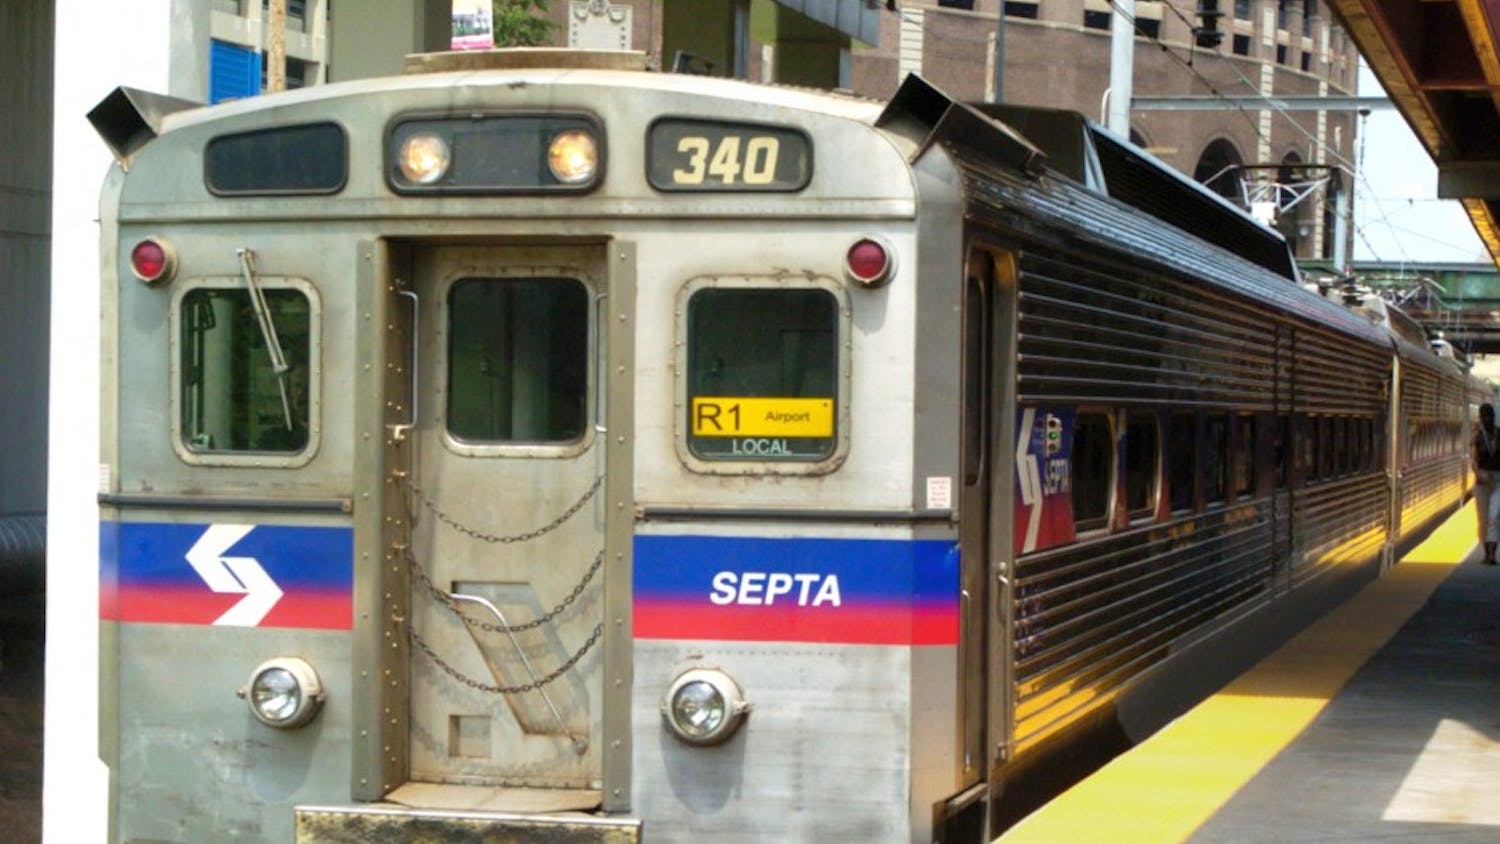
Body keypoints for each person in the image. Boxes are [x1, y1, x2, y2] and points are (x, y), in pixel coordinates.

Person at [1472, 403, 1500, 564]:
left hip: (1498, 480)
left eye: (1490, 416)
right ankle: (1485, 552)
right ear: (1481, 418)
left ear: (1494, 417)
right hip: (1482, 481)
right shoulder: (1476, 436)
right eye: (1484, 417)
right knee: (1483, 519)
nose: (1487, 419)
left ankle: (1492, 555)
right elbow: (1473, 459)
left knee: (1495, 516)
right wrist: (1477, 474)